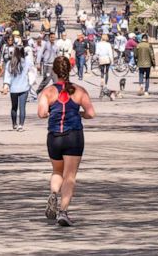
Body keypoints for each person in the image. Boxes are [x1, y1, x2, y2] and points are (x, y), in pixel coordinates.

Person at [38, 57, 96, 227]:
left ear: (54, 71)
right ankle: (63, 212)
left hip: (54, 136)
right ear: (70, 70)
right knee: (69, 176)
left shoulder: (48, 92)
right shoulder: (79, 91)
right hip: (73, 136)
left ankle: (54, 192)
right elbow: (91, 113)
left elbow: (41, 113)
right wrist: (81, 114)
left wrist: (51, 113)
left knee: (57, 170)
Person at [3, 45, 35, 131]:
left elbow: (7, 76)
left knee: (14, 107)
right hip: (24, 88)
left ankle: (14, 124)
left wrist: (6, 86)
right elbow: (32, 71)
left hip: (13, 89)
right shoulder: (26, 62)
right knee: (22, 107)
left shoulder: (10, 63)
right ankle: (21, 125)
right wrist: (31, 81)